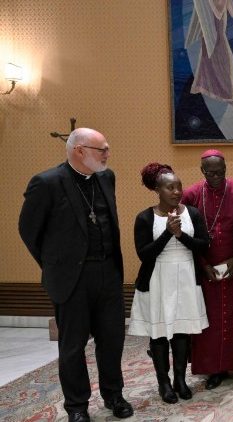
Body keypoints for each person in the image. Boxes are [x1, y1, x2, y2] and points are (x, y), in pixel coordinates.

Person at [18, 128, 133, 422]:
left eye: (107, 148)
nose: (107, 154)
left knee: (112, 340)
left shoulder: (106, 177)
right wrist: (54, 265)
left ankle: (114, 395)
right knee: (72, 346)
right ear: (79, 151)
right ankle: (77, 406)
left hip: (108, 273)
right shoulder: (47, 183)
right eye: (101, 149)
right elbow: (28, 231)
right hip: (72, 279)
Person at [128, 163, 210, 404]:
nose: (176, 192)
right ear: (157, 190)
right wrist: (167, 233)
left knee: (182, 331)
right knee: (160, 334)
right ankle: (164, 384)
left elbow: (203, 245)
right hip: (157, 279)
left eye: (179, 187)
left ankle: (180, 380)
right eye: (170, 187)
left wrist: (180, 235)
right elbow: (144, 254)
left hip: (186, 277)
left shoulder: (192, 213)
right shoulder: (145, 217)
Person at [182, 149, 233, 390]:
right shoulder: (191, 194)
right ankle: (215, 369)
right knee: (210, 320)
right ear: (202, 171)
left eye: (220, 172)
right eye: (211, 173)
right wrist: (203, 265)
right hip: (207, 266)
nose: (216, 177)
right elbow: (186, 234)